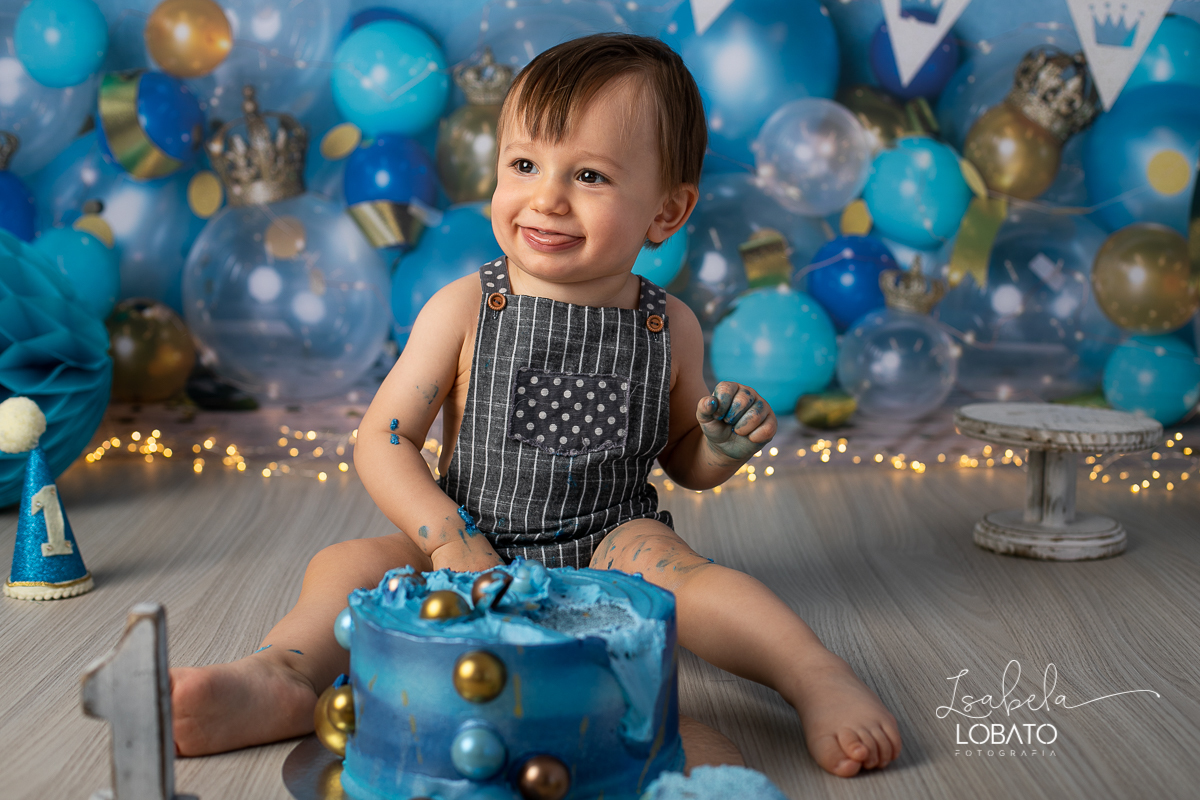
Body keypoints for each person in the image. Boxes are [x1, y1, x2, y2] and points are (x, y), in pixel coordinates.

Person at [171, 33, 902, 777]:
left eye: (588, 175)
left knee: (703, 586)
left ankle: (814, 676)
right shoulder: (465, 308)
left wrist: (720, 445)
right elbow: (384, 439)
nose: (546, 197)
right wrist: (447, 538)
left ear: (667, 211)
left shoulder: (668, 325)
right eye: (524, 165)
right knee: (347, 565)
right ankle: (286, 674)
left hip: (612, 546)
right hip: (466, 536)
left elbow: (683, 460)